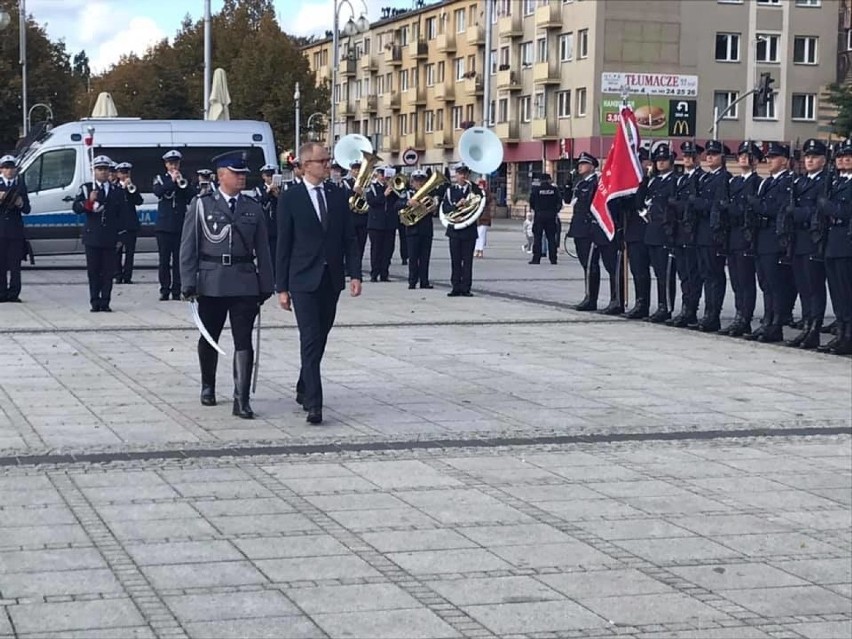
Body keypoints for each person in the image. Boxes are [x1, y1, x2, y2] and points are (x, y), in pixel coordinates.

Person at [179, 151, 274, 419]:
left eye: (244, 173)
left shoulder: (253, 207)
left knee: (243, 339)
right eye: (236, 173)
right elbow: (188, 247)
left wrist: (266, 282)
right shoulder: (201, 205)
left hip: (244, 280)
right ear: (221, 176)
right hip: (212, 280)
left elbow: (264, 249)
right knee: (210, 335)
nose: (242, 177)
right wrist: (188, 282)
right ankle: (208, 385)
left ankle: (241, 398)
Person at [276, 141, 363, 425]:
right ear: (304, 166)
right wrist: (282, 287)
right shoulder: (290, 197)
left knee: (320, 338)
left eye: (328, 160)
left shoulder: (338, 195)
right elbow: (283, 245)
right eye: (322, 161)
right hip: (302, 279)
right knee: (310, 338)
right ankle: (315, 403)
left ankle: (304, 384)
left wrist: (355, 274)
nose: (328, 165)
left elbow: (349, 238)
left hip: (331, 278)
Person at [744, 142, 793, 343]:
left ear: (785, 161)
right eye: (769, 157)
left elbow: (778, 209)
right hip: (761, 237)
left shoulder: (787, 182)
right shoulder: (766, 182)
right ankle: (768, 320)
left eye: (774, 157)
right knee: (765, 283)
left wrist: (758, 205)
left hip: (774, 238)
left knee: (775, 284)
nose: (769, 160)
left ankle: (776, 324)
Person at [786, 138, 828, 349]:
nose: (810, 160)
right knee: (802, 286)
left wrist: (798, 213)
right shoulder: (800, 181)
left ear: (823, 159)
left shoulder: (825, 182)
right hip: (798, 240)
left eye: (814, 157)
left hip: (813, 239)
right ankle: (806, 324)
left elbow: (819, 211)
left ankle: (815, 329)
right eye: (808, 157)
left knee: (814, 287)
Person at [719, 141, 762, 337]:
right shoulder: (734, 182)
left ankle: (745, 317)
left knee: (745, 280)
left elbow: (749, 210)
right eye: (741, 155)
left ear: (756, 160)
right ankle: (738, 314)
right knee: (735, 279)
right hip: (732, 234)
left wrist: (732, 209)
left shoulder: (757, 182)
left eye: (748, 155)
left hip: (746, 234)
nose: (744, 158)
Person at [72, 155, 123, 312]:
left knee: (108, 272)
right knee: (94, 271)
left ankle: (105, 301)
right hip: (92, 235)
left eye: (105, 169)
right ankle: (95, 301)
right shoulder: (87, 188)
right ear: (93, 171)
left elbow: (121, 214)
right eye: (99, 169)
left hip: (109, 235)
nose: (102, 172)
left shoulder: (116, 190)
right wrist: (88, 201)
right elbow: (76, 208)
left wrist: (120, 235)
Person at [819, 138, 852, 355]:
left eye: (848, 157)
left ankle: (848, 335)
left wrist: (828, 206)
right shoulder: (835, 183)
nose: (843, 160)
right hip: (832, 241)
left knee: (847, 291)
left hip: (846, 242)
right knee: (837, 292)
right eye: (840, 157)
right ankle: (840, 332)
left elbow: (845, 212)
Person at [154, 149, 195, 301]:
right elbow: (158, 192)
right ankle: (164, 289)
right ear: (166, 165)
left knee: (179, 259)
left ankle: (177, 290)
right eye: (171, 163)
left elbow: (191, 196)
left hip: (180, 225)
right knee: (164, 260)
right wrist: (171, 181)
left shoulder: (185, 178)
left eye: (176, 163)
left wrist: (180, 183)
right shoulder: (160, 178)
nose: (173, 166)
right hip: (164, 226)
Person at [567, 153, 601, 310]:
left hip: (589, 229)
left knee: (590, 265)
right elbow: (568, 200)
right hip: (579, 228)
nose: (580, 166)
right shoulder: (580, 184)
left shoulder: (596, 183)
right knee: (584, 264)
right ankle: (587, 295)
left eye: (584, 164)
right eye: (579, 164)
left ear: (592, 166)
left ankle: (591, 298)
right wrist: (568, 182)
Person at [443, 163, 482, 297]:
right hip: (454, 230)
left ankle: (466, 288)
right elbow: (444, 210)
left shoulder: (475, 190)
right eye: (460, 173)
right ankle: (455, 287)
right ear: (456, 175)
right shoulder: (450, 191)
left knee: (467, 261)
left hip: (469, 230)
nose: (463, 176)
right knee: (455, 260)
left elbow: (481, 206)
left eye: (465, 173)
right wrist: (456, 206)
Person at [0, 155, 30, 303]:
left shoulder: (20, 185)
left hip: (15, 231)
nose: (9, 171)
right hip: (1, 230)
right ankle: (1, 293)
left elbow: (27, 209)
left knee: (15, 265)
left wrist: (20, 203)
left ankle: (14, 293)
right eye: (6, 168)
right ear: (1, 170)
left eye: (11, 168)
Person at [364, 167, 398, 282]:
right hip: (375, 224)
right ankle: (374, 273)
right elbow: (371, 201)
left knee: (388, 249)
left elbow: (399, 200)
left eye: (386, 175)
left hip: (389, 223)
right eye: (382, 174)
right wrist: (384, 194)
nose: (384, 177)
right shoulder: (372, 187)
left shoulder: (392, 187)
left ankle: (384, 273)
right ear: (377, 175)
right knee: (376, 250)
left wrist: (394, 189)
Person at [402, 170, 435, 288]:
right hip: (412, 230)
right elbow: (397, 204)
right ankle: (412, 281)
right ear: (412, 181)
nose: (419, 183)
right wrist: (408, 203)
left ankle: (424, 281)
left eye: (421, 180)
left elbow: (434, 210)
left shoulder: (429, 194)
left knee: (425, 257)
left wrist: (432, 208)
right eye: (417, 180)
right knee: (413, 257)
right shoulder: (408, 194)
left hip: (426, 229)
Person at [114, 162, 143, 284]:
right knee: (117, 252)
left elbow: (139, 201)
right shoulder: (114, 187)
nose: (125, 175)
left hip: (131, 224)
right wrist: (122, 189)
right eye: (122, 172)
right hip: (118, 224)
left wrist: (131, 190)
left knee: (130, 253)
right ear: (118, 174)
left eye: (127, 172)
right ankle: (118, 275)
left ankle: (127, 276)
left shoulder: (132, 187)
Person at [528, 173, 561, 265]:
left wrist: (538, 210)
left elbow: (531, 202)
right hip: (551, 216)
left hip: (539, 216)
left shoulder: (536, 190)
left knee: (537, 238)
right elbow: (559, 202)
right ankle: (553, 259)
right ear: (549, 180)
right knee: (551, 238)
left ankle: (536, 258)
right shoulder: (554, 190)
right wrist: (554, 211)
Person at [257, 164, 280, 272]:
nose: (270, 177)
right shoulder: (258, 188)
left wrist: (277, 195)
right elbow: (260, 202)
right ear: (263, 176)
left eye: (272, 175)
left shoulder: (280, 188)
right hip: (265, 224)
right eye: (268, 175)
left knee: (277, 253)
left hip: (276, 225)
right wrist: (268, 191)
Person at [474, 178, 492, 258]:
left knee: (481, 234)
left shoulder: (486, 192)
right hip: (476, 217)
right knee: (475, 234)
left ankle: (480, 250)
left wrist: (484, 192)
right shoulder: (475, 192)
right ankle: (476, 250)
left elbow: (488, 200)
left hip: (484, 217)